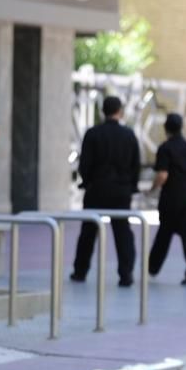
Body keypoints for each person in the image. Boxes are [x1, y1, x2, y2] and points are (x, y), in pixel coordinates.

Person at [71, 95, 141, 287]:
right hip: (120, 191)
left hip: (96, 189)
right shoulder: (129, 135)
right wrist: (131, 186)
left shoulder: (93, 133)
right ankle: (126, 275)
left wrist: (86, 181)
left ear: (103, 111)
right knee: (123, 233)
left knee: (88, 232)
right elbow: (136, 164)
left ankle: (80, 271)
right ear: (120, 111)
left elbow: (84, 164)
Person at [147, 112, 186, 284]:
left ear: (166, 128)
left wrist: (152, 188)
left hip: (170, 199)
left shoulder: (165, 148)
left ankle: (152, 268)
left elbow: (162, 175)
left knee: (163, 236)